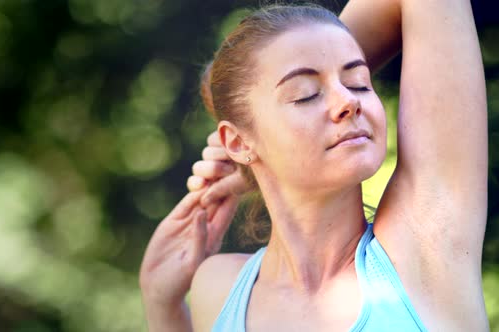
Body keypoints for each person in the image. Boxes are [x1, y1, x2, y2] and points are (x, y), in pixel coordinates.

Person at [140, 0, 489, 330]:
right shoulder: (216, 289)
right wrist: (162, 304)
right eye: (305, 93)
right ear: (238, 142)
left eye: (358, 82)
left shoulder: (426, 248)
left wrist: (316, 40)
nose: (348, 101)